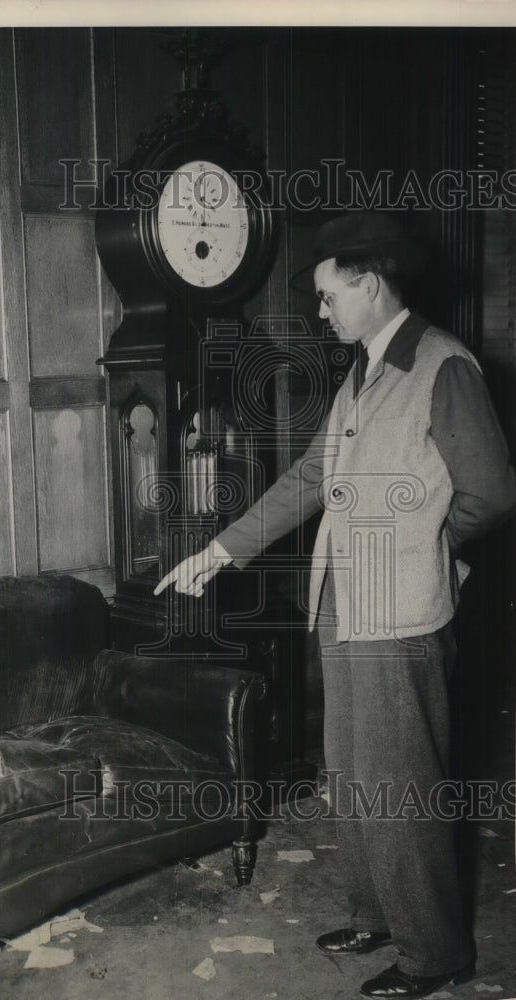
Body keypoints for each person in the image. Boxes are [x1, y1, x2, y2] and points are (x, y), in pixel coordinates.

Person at [154, 211, 516, 999]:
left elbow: (490, 493)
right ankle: (374, 914)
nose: (321, 313)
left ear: (369, 283)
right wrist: (219, 551)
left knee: (400, 782)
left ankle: (434, 952)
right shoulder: (364, 371)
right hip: (343, 604)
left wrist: (433, 551)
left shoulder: (441, 366)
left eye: (327, 296)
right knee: (349, 771)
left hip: (399, 613)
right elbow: (310, 478)